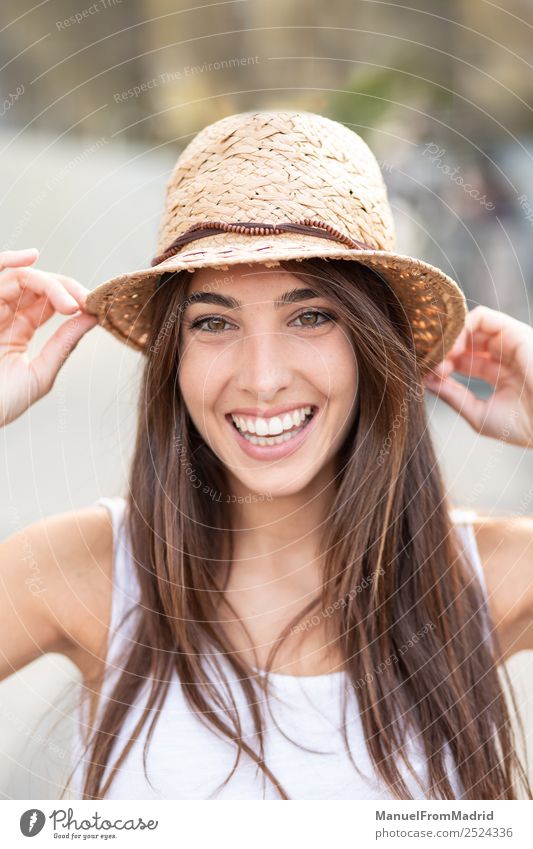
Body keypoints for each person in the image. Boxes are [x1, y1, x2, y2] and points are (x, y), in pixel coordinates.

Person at [1, 110, 533, 802]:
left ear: (372, 343)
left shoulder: (482, 578)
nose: (261, 376)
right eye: (214, 322)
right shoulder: (87, 571)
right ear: (174, 355)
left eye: (310, 315)